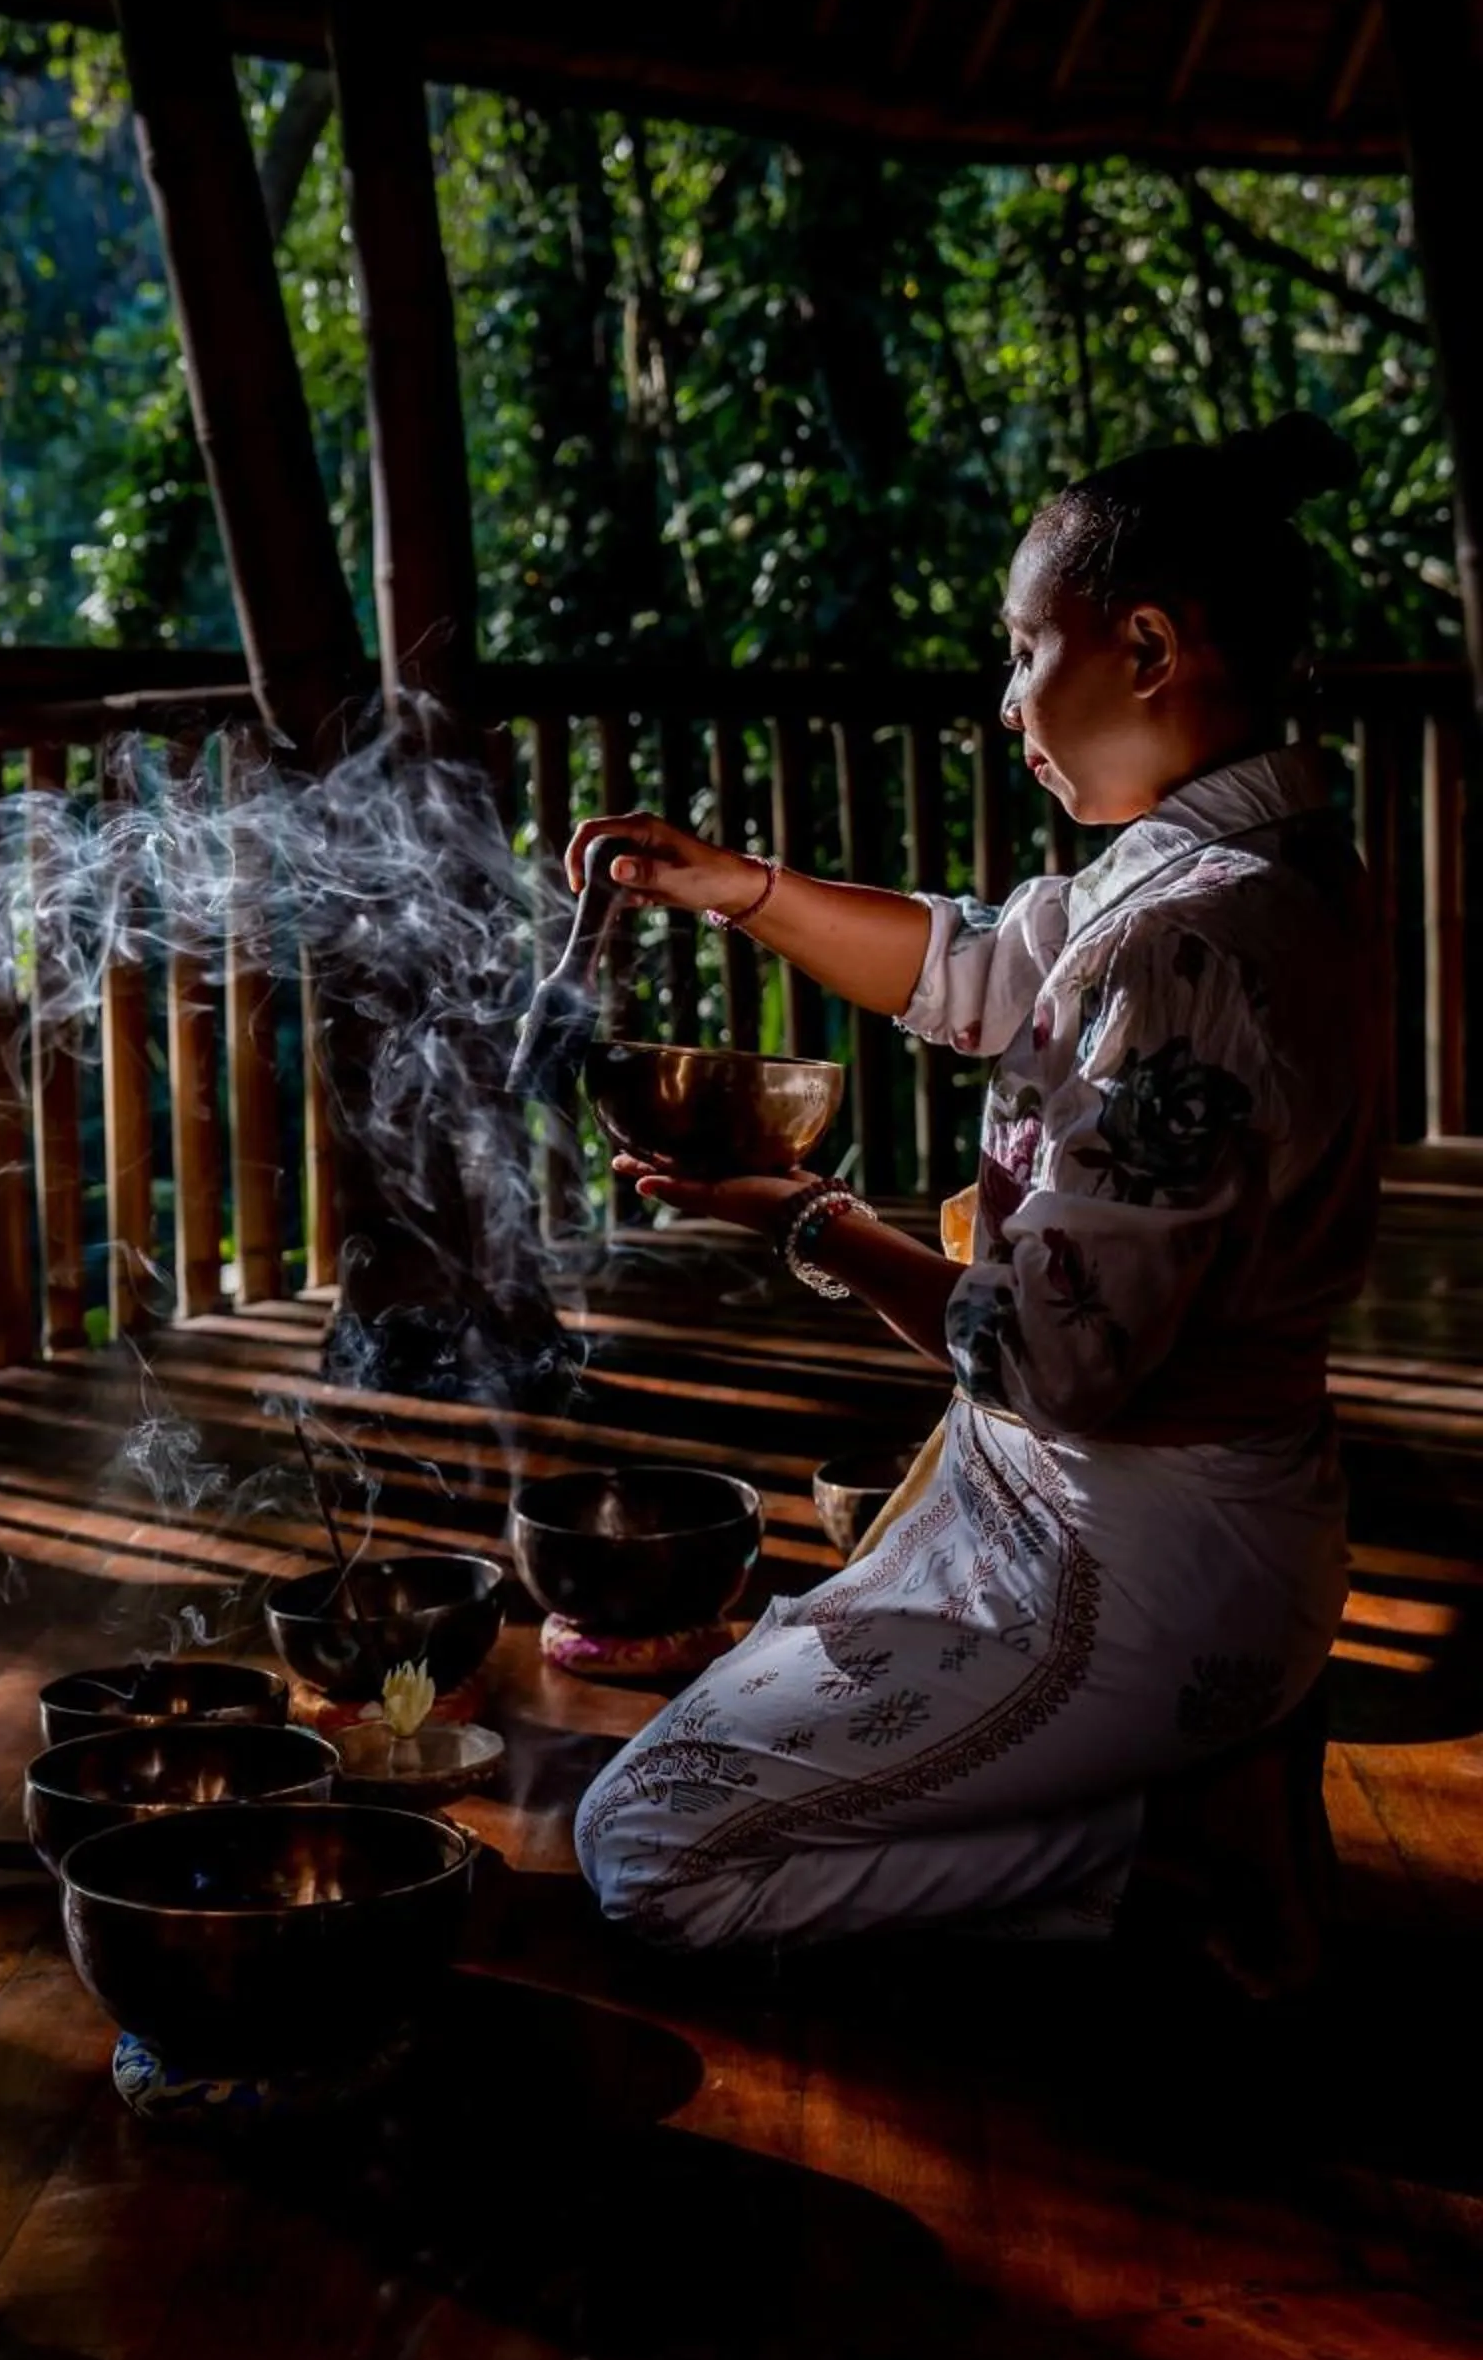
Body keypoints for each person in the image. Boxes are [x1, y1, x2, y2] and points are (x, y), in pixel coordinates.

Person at [566, 411, 1376, 1986]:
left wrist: (810, 1224)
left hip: (1134, 1553)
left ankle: (1163, 1852)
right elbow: (992, 965)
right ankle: (1168, 1794)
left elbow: (1060, 1361)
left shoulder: (1191, 940)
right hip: (1137, 1519)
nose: (1006, 703)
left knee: (648, 1853)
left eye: (1022, 652)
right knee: (710, 1769)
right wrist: (741, 889)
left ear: (1145, 645)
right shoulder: (1227, 868)